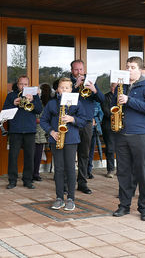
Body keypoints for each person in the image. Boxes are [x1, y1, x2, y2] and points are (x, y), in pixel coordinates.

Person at [112, 56, 145, 221]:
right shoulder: (122, 86)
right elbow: (114, 106)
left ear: (139, 69)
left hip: (141, 134)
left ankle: (144, 207)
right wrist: (115, 94)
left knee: (143, 172)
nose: (129, 70)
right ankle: (124, 206)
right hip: (122, 133)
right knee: (123, 172)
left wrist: (129, 100)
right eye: (127, 67)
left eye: (132, 67)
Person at [40, 77, 87, 211]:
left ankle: (71, 198)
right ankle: (59, 198)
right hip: (56, 139)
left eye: (67, 87)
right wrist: (51, 132)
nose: (64, 90)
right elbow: (43, 120)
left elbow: (84, 120)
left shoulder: (77, 103)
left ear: (71, 90)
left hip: (71, 140)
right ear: (57, 89)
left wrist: (72, 119)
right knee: (59, 170)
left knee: (70, 169)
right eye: (62, 87)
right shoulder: (51, 104)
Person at [69, 60, 105, 194]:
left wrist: (94, 90)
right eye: (76, 70)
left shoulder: (91, 81)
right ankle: (68, 182)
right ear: (72, 71)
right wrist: (75, 86)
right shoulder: (68, 83)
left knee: (84, 153)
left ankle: (82, 183)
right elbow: (64, 100)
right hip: (72, 121)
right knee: (70, 154)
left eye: (81, 69)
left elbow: (102, 99)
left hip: (87, 122)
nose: (79, 72)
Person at [3, 75, 42, 189]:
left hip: (30, 130)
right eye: (21, 84)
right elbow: (5, 111)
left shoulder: (34, 96)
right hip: (15, 129)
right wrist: (13, 104)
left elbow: (39, 110)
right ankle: (12, 180)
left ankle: (28, 180)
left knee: (30, 156)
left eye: (25, 84)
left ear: (28, 85)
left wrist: (33, 100)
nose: (23, 86)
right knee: (13, 156)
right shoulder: (11, 96)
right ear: (17, 84)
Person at [33, 83, 52, 182]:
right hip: (43, 130)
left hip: (38, 130)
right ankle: (35, 173)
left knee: (34, 154)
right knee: (38, 154)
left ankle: (34, 173)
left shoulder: (41, 102)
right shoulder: (49, 102)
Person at [100, 83, 118, 178]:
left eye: (117, 87)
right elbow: (106, 111)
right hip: (108, 126)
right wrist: (116, 116)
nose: (115, 89)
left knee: (121, 148)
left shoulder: (122, 97)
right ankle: (110, 169)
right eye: (113, 87)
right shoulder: (105, 97)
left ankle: (121, 169)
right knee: (110, 149)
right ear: (111, 87)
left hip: (120, 126)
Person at [87, 101, 103, 179]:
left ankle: (88, 171)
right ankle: (83, 171)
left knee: (91, 152)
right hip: (84, 130)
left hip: (94, 130)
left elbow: (101, 114)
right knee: (83, 152)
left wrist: (95, 120)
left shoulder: (96, 103)